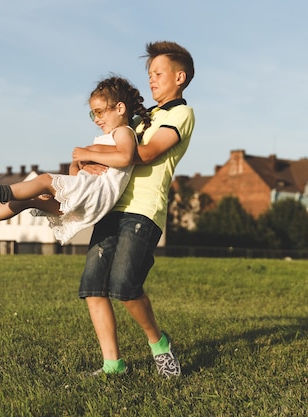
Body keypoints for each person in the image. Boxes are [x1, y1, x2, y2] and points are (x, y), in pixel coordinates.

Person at [79, 41, 195, 377]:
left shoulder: (180, 115)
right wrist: (89, 161)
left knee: (124, 285)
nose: (152, 80)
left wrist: (94, 154)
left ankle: (160, 346)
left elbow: (143, 154)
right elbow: (111, 151)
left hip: (144, 210)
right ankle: (113, 365)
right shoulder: (143, 118)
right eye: (149, 74)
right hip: (112, 206)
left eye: (158, 73)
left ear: (180, 76)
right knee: (93, 286)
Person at [0, 76, 151, 245]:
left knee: (45, 179)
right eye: (93, 114)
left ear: (120, 108)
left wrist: (87, 154)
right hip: (87, 199)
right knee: (28, 199)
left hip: (94, 198)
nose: (96, 119)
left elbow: (125, 157)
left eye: (100, 112)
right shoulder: (110, 135)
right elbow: (79, 176)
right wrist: (76, 167)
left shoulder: (123, 131)